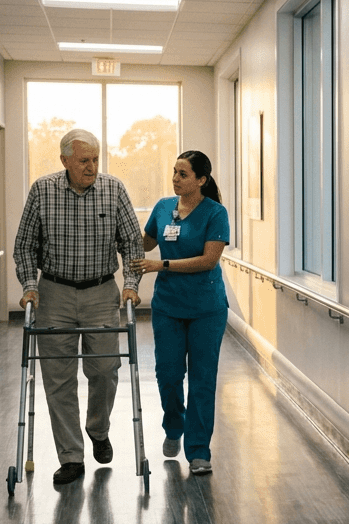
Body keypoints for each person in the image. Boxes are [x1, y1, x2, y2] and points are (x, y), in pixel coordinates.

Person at [14, 128, 144, 486]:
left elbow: (133, 244)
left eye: (96, 159)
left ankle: (98, 430)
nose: (92, 167)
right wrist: (28, 286)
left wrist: (130, 286)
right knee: (58, 378)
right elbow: (24, 246)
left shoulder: (113, 189)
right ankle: (71, 457)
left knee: (105, 369)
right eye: (84, 160)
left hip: (101, 293)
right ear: (65, 160)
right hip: (53, 293)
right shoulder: (42, 190)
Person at [131, 151, 230, 476]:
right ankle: (174, 425)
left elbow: (208, 260)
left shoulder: (215, 213)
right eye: (174, 172)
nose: (175, 178)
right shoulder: (162, 207)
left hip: (206, 310)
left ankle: (199, 451)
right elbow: (144, 244)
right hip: (169, 307)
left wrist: (163, 265)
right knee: (168, 375)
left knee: (202, 380)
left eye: (183, 174)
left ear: (201, 180)